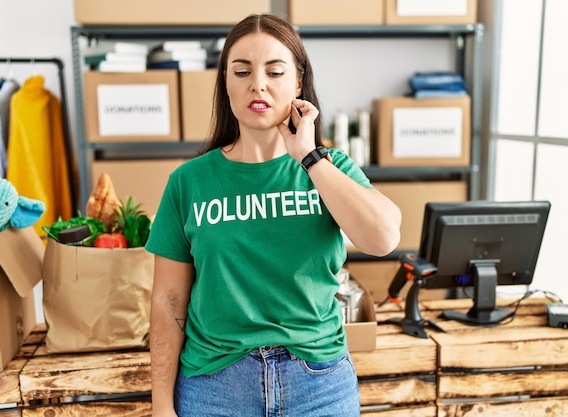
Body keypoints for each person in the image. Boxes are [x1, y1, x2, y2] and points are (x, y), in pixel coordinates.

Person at [145, 13, 402, 417]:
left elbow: (383, 238)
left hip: (318, 383)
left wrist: (309, 157)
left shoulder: (328, 169)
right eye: (242, 71)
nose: (257, 84)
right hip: (214, 386)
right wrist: (161, 403)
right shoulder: (188, 183)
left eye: (275, 71)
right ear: (226, 83)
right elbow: (168, 300)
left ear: (298, 82)